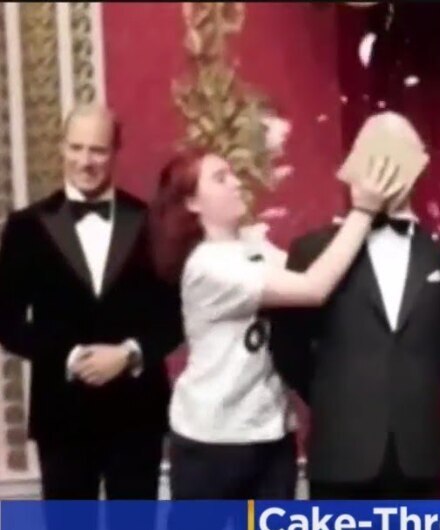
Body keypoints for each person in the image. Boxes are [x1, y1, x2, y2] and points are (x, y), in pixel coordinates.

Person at [148, 149, 401, 501]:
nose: (236, 182)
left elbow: (316, 268)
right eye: (220, 178)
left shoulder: (254, 245)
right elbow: (313, 287)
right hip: (212, 439)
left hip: (271, 432)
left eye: (232, 173)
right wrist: (362, 212)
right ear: (192, 202)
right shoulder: (207, 266)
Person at [0, 104, 183, 530]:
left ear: (116, 151)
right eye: (77, 148)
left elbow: (175, 316)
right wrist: (70, 355)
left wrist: (130, 353)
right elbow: (6, 321)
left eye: (97, 150)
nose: (85, 161)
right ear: (62, 148)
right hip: (62, 419)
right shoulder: (25, 227)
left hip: (137, 417)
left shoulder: (151, 222)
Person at [270, 112, 440, 500]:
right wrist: (338, 393)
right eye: (376, 156)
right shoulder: (313, 250)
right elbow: (288, 348)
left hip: (420, 455)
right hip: (342, 452)